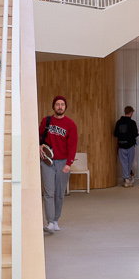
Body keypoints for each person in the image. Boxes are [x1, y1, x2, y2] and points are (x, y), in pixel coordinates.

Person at [40, 94, 79, 232]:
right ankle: (50, 222)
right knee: (49, 192)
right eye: (57, 104)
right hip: (47, 162)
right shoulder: (46, 121)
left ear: (65, 107)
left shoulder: (70, 124)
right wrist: (40, 146)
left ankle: (56, 220)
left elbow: (72, 146)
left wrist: (69, 163)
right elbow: (39, 137)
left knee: (59, 194)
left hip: (63, 162)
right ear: (53, 106)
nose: (60, 107)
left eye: (62, 104)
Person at [114, 106, 139, 186]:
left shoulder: (118, 122)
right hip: (130, 145)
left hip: (121, 145)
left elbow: (115, 134)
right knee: (129, 163)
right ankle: (127, 179)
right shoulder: (132, 123)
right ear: (131, 112)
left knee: (124, 163)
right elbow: (135, 134)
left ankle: (126, 178)